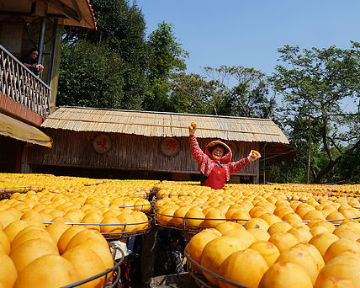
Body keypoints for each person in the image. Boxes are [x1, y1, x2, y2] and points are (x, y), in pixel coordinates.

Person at [189, 122, 261, 189]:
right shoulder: (205, 160)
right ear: (212, 151)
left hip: (221, 197)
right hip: (206, 195)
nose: (218, 152)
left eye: (220, 151)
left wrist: (248, 159)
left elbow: (237, 165)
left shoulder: (226, 166)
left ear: (223, 155)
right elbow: (196, 150)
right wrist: (192, 135)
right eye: (216, 150)